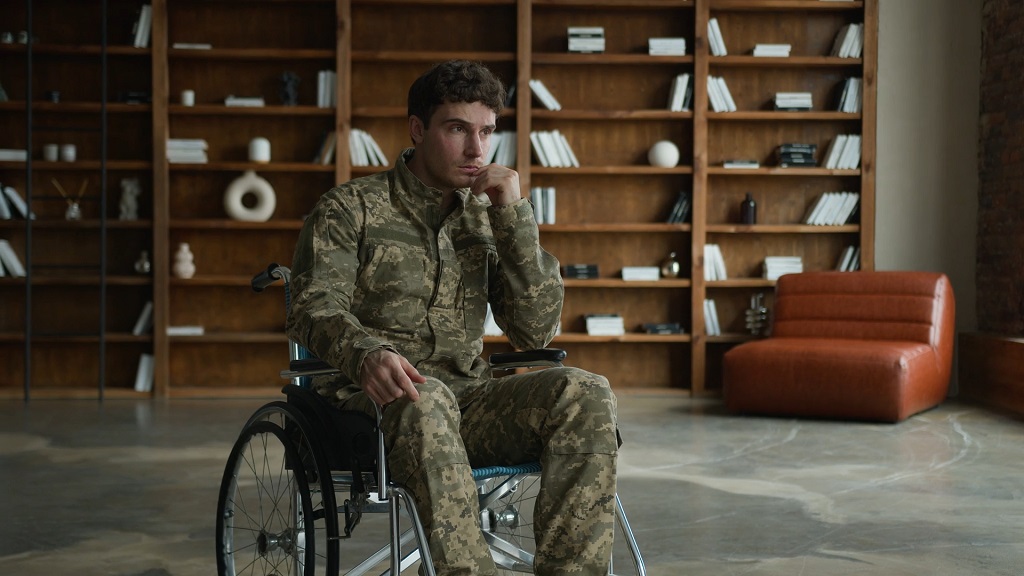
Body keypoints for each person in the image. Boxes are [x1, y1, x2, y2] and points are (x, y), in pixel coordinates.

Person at [287, 59, 619, 576]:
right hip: (373, 400)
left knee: (586, 392)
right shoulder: (351, 208)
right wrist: (366, 352)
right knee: (426, 397)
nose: (476, 149)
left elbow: (535, 330)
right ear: (418, 130)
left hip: (470, 396)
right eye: (458, 129)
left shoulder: (486, 217)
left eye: (486, 131)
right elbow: (313, 305)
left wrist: (514, 217)